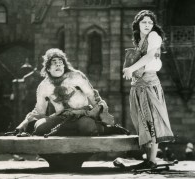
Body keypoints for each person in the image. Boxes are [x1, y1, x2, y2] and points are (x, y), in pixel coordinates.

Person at [16, 48, 126, 136]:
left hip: (82, 115)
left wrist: (101, 114)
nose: (58, 65)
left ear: (65, 65)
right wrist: (25, 122)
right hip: (61, 118)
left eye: (60, 62)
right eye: (54, 63)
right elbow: (40, 110)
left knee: (87, 128)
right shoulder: (44, 86)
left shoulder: (76, 76)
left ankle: (106, 129)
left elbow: (92, 95)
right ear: (48, 68)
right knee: (40, 128)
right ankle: (66, 131)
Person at [122, 10, 174, 169]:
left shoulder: (153, 36)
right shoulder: (140, 39)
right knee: (141, 120)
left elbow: (149, 57)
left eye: (150, 22)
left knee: (151, 119)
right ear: (138, 24)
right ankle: (148, 159)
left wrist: (130, 69)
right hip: (138, 84)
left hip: (149, 82)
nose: (147, 25)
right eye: (144, 22)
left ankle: (152, 160)